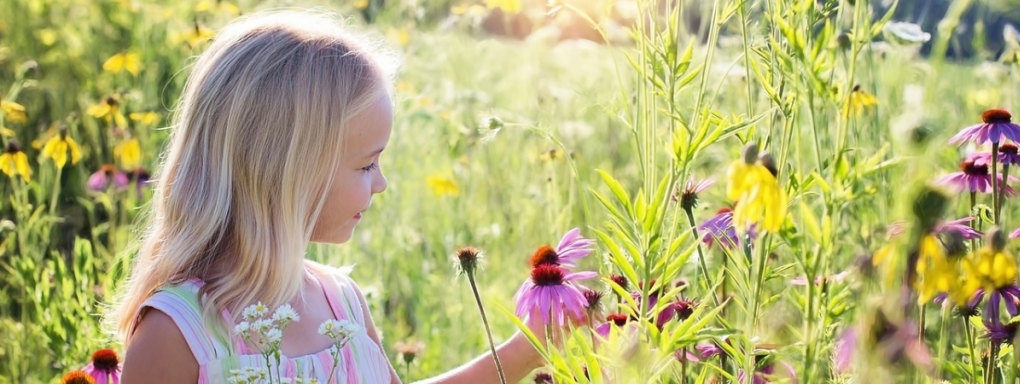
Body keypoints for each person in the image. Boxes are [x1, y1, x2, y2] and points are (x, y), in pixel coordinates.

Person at [108, 10, 551, 383]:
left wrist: (525, 349)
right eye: (365, 165)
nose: (381, 183)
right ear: (284, 173)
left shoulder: (342, 302)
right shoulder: (178, 334)